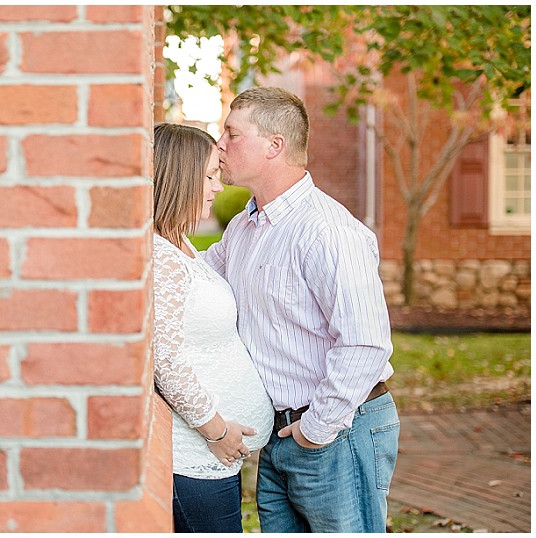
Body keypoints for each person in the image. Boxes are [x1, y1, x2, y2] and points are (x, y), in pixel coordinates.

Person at [204, 86, 399, 533]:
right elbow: (194, 275)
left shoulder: (328, 231)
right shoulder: (244, 226)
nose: (221, 145)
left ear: (275, 145)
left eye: (232, 133)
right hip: (279, 434)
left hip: (336, 430)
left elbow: (365, 343)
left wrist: (316, 429)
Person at [152, 122, 274, 533]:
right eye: (207, 176)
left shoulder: (179, 244)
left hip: (213, 457)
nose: (217, 187)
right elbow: (164, 360)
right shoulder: (160, 258)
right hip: (197, 458)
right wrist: (218, 430)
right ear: (178, 177)